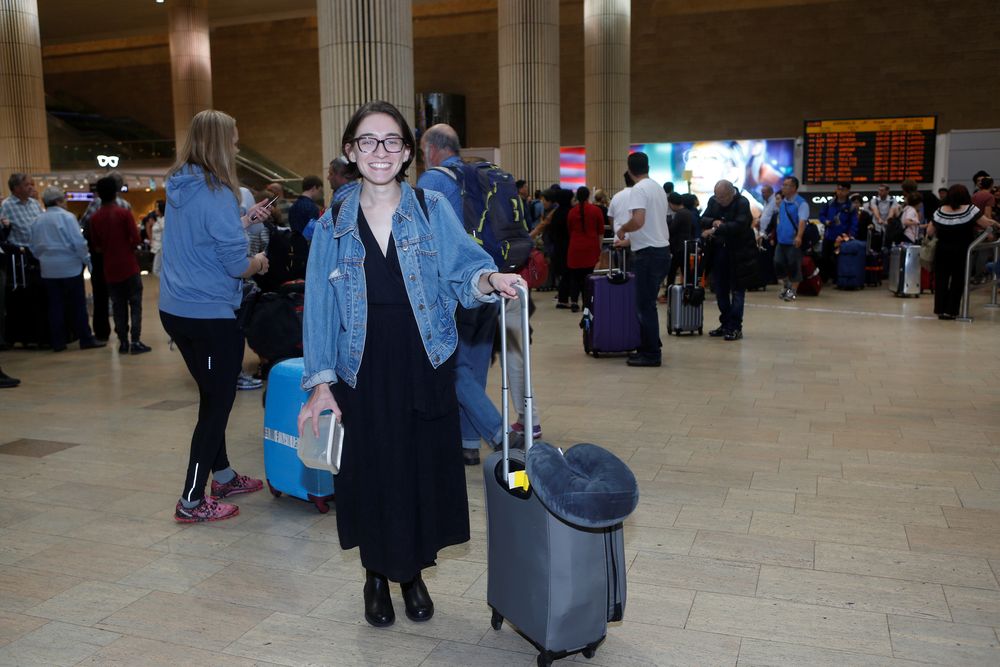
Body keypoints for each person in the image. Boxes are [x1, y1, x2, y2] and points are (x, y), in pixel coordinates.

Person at [297, 100, 522, 629]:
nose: (380, 151)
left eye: (392, 141)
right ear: (351, 152)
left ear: (407, 152)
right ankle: (376, 575)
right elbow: (320, 308)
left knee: (420, 469)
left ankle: (412, 573)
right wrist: (320, 383)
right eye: (368, 142)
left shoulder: (428, 208)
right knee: (371, 472)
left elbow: (463, 270)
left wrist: (491, 281)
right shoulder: (332, 223)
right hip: (361, 366)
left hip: (424, 358)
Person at [160, 109, 272, 523]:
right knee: (217, 403)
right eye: (235, 139)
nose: (238, 146)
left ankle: (222, 476)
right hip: (207, 314)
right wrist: (258, 262)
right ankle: (191, 500)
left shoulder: (180, 185)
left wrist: (242, 220)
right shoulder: (218, 192)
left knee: (213, 394)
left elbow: (203, 236)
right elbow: (234, 266)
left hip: (176, 309)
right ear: (220, 143)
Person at [417, 123, 525, 465]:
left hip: (455, 286)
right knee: (474, 365)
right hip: (489, 280)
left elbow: (422, 240)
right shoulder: (478, 178)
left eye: (422, 152)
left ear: (433, 149)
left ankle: (499, 433)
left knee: (452, 368)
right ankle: (466, 442)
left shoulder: (433, 180)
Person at [29, 187, 105, 352]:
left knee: (55, 305)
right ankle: (85, 338)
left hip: (48, 268)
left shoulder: (38, 220)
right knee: (77, 305)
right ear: (58, 201)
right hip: (70, 266)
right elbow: (78, 243)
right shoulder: (68, 218)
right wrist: (86, 260)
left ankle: (58, 341)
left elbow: (33, 246)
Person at [615, 151, 670, 367]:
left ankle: (651, 354)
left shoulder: (638, 190)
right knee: (649, 304)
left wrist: (622, 229)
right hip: (661, 251)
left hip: (648, 256)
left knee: (644, 306)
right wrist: (629, 242)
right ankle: (650, 345)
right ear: (648, 167)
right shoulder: (657, 188)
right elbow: (652, 226)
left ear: (629, 169)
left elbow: (638, 221)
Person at [89, 177, 152, 355]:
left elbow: (97, 246)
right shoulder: (124, 214)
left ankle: (123, 341)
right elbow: (136, 239)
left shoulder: (95, 218)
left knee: (118, 305)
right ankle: (136, 340)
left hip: (109, 267)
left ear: (99, 194)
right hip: (129, 265)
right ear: (116, 192)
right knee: (135, 303)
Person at [927, 184, 999, 319]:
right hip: (962, 251)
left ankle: (940, 310)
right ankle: (951, 311)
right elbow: (985, 223)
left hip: (942, 250)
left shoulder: (940, 210)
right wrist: (996, 224)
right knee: (958, 280)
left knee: (941, 279)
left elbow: (930, 231)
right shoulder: (971, 210)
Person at [700, 180, 758, 341]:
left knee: (738, 291)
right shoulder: (713, 201)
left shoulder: (742, 202)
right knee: (720, 290)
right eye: (716, 197)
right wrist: (713, 222)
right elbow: (703, 219)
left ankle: (735, 327)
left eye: (722, 197)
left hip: (739, 253)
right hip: (719, 252)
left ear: (731, 193)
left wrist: (717, 227)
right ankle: (725, 323)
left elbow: (739, 226)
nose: (719, 200)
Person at [80, 173, 131, 342]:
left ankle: (102, 333)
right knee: (121, 296)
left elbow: (85, 228)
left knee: (100, 295)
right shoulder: (125, 206)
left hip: (99, 255)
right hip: (121, 256)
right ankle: (123, 330)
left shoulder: (94, 206)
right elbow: (132, 235)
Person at [1, 173, 43, 349]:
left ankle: (39, 333)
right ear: (16, 188)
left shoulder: (34, 204)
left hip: (38, 254)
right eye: (27, 185)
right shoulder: (6, 206)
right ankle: (24, 335)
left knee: (39, 295)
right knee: (23, 297)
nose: (30, 187)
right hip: (19, 257)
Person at [561, 186, 604, 312]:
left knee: (575, 277)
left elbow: (569, 230)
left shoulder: (572, 212)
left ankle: (574, 301)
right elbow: (600, 232)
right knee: (588, 276)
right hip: (591, 247)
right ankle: (587, 303)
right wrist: (599, 249)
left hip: (574, 248)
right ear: (588, 196)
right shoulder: (596, 210)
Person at [774, 176, 809, 302]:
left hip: (793, 242)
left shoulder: (801, 203)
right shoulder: (783, 203)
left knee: (794, 266)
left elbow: (802, 221)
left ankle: (792, 292)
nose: (783, 187)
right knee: (778, 263)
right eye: (783, 185)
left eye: (786, 185)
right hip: (781, 241)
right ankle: (786, 285)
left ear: (794, 187)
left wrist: (799, 236)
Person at [818, 182, 857, 283]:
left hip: (842, 238)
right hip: (829, 235)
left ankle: (837, 279)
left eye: (843, 190)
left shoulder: (851, 206)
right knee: (824, 258)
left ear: (848, 191)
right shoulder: (830, 203)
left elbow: (853, 223)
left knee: (838, 259)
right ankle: (823, 279)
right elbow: (821, 215)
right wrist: (825, 221)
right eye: (838, 189)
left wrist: (850, 235)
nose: (840, 192)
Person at [666, 191, 697, 286]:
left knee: (672, 270)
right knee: (686, 270)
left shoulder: (680, 214)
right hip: (685, 246)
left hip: (679, 247)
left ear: (672, 203)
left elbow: (672, 229)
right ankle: (688, 291)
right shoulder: (688, 212)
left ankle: (670, 291)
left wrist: (669, 221)